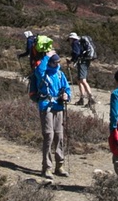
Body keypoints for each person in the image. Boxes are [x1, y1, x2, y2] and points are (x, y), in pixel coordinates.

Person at [30, 44, 72, 179]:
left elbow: (67, 88)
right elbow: (39, 70)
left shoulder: (60, 74)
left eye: (58, 62)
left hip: (58, 107)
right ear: (50, 62)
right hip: (46, 106)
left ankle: (60, 165)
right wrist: (46, 57)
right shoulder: (42, 73)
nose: (58, 64)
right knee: (49, 135)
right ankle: (46, 167)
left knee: (59, 136)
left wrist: (66, 96)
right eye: (55, 62)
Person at [68, 32, 96, 107]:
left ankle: (91, 98)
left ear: (72, 38)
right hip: (84, 61)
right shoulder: (79, 42)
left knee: (83, 80)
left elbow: (76, 53)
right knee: (79, 80)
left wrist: (72, 60)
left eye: (69, 39)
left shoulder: (75, 43)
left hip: (82, 62)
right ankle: (82, 99)